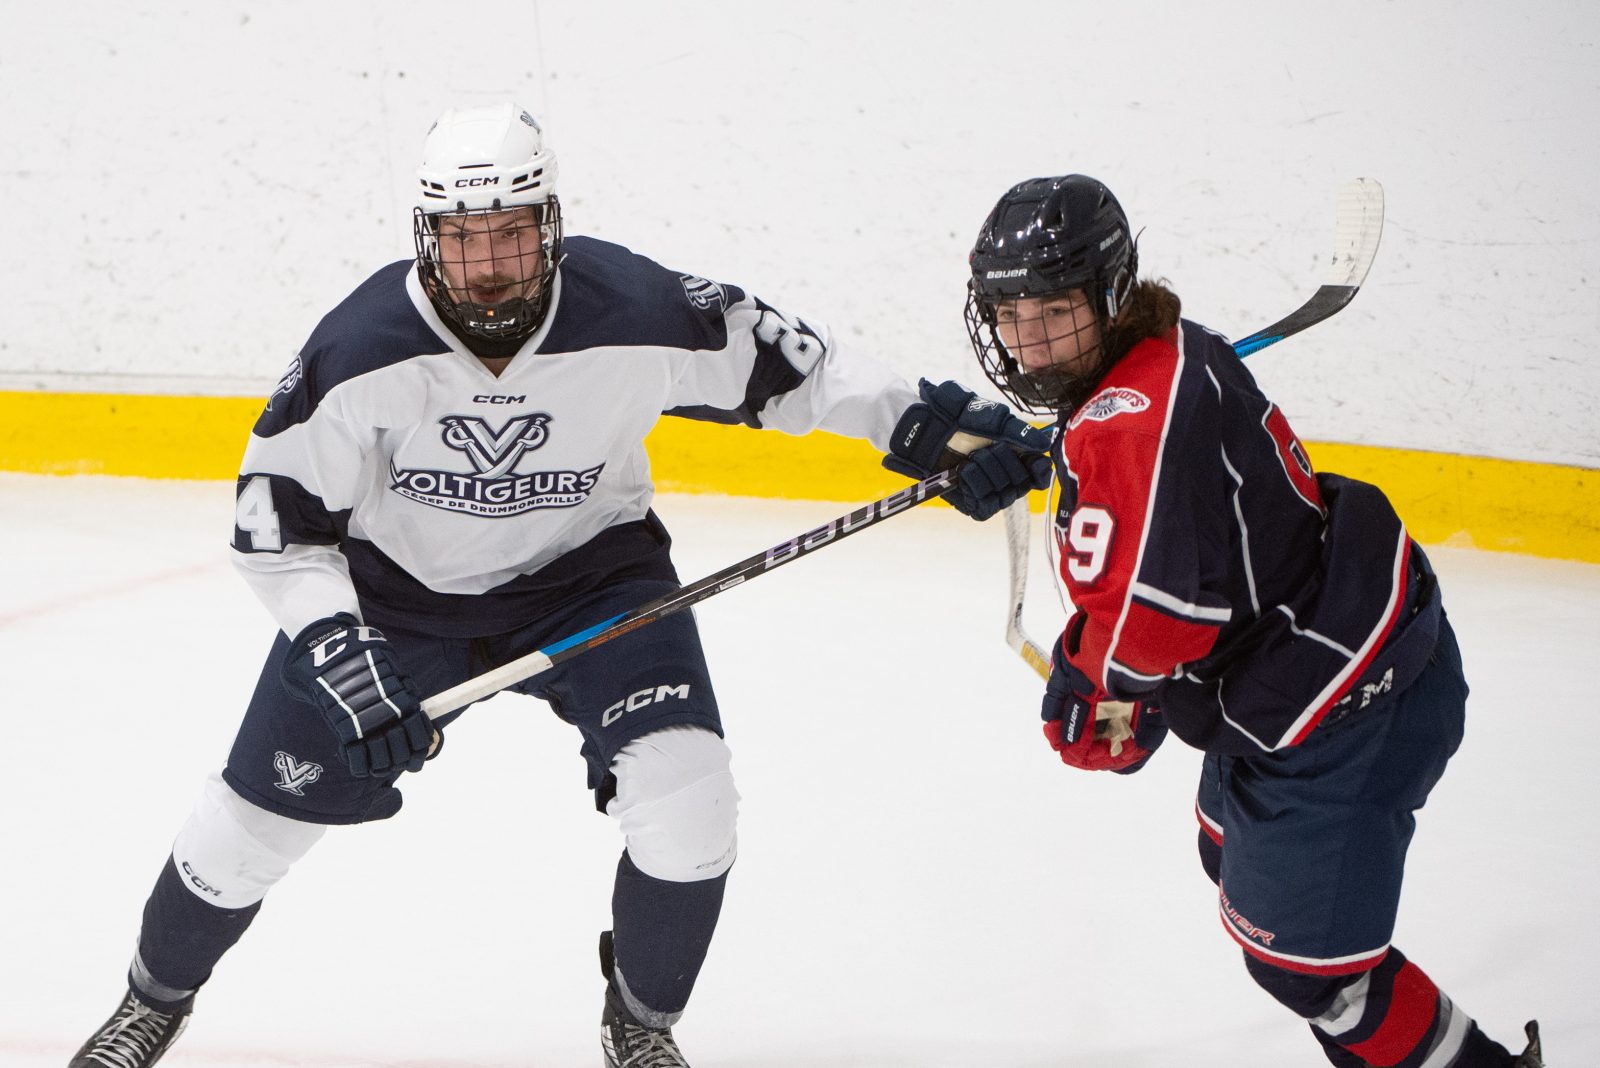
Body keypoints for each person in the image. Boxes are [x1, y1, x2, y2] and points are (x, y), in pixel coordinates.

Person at [68, 102, 1050, 1068]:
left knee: (690, 808)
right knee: (244, 832)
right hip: (395, 604)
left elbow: (802, 367)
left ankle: (639, 1021)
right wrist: (334, 645)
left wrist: (931, 429)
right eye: (462, 239)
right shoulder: (357, 350)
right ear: (426, 238)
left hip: (594, 583)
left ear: (551, 227)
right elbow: (276, 530)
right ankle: (151, 1002)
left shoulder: (642, 309)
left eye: (508, 234)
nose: (488, 265)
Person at [962, 174, 1544, 1068]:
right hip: (1314, 658)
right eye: (1010, 312)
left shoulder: (1135, 419)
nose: (1028, 338)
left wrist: (1097, 692)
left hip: (1345, 712)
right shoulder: (1160, 353)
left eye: (1054, 310)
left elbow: (1155, 618)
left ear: (1110, 293)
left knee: (1312, 975)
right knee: (1226, 856)